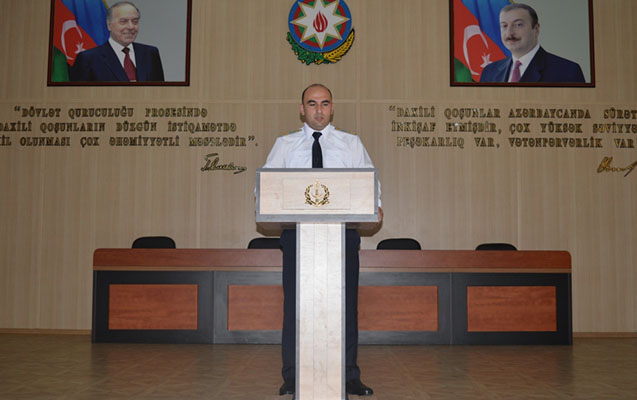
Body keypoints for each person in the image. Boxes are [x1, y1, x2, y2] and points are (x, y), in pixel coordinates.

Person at [261, 84, 381, 397]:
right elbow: (266, 186)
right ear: (302, 109)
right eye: (312, 103)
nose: (318, 110)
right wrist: (263, 201)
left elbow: (370, 181)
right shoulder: (285, 145)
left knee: (346, 306)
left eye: (324, 103)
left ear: (332, 108)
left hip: (342, 236)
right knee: (295, 306)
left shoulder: (351, 143)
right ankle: (292, 375)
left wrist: (376, 205)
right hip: (297, 236)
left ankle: (349, 375)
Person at [480, 3, 585, 83]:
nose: (509, 33)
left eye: (518, 25)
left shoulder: (567, 71)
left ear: (536, 29)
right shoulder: (489, 72)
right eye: (504, 26)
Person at [70, 1, 164, 82]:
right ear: (109, 25)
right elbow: (79, 95)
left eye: (135, 21)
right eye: (123, 21)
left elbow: (160, 92)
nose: (131, 27)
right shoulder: (88, 59)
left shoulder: (150, 53)